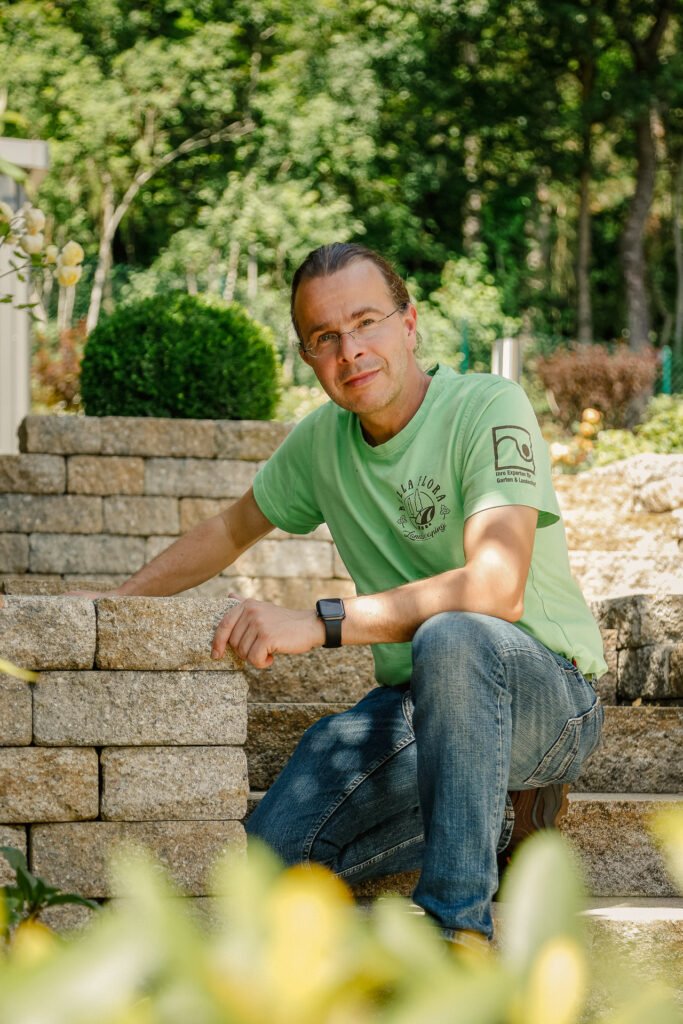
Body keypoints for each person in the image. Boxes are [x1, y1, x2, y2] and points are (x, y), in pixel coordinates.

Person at [76, 242, 607, 950]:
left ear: (410, 322)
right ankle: (502, 815)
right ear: (307, 355)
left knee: (454, 634)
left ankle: (459, 932)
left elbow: (494, 589)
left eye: (366, 322)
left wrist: (317, 622)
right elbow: (230, 528)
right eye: (324, 337)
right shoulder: (321, 442)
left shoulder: (488, 406)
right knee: (265, 869)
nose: (349, 350)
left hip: (543, 693)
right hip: (417, 710)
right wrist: (105, 609)